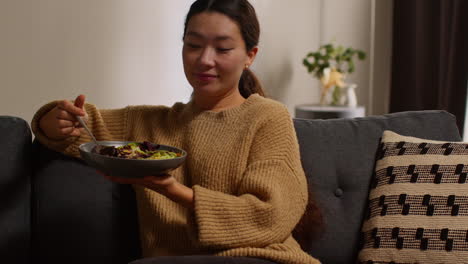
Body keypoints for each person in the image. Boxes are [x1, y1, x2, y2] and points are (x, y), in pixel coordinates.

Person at [31, 0, 320, 263]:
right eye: (194, 45)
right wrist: (54, 118)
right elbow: (72, 129)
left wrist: (173, 190)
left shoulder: (268, 117)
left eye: (222, 48)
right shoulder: (148, 122)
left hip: (264, 259)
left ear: (250, 56)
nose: (205, 59)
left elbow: (270, 215)